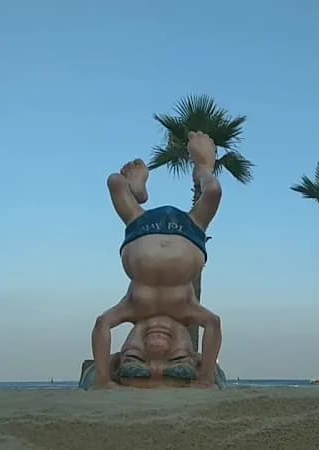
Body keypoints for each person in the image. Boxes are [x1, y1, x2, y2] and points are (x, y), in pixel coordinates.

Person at [90, 131, 223, 390]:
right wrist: (206, 378)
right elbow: (213, 324)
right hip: (189, 230)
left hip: (141, 226)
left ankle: (136, 188)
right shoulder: (185, 308)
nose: (156, 346)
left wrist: (103, 380)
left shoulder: (134, 306)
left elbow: (102, 324)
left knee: (115, 181)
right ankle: (204, 167)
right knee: (214, 189)